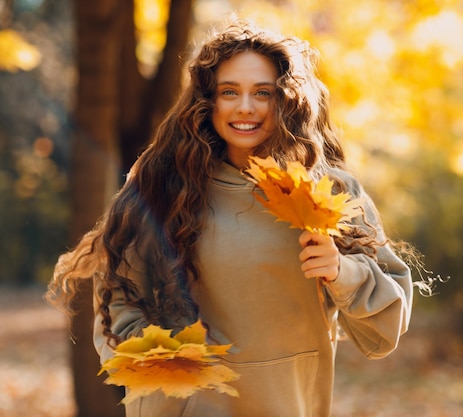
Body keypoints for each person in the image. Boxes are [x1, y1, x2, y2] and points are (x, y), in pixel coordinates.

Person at [47, 18, 418, 417]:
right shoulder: (162, 187)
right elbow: (117, 295)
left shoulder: (330, 192)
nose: (245, 107)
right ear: (208, 101)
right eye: (229, 92)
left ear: (288, 100)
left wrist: (340, 271)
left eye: (263, 92)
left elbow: (383, 333)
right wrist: (174, 369)